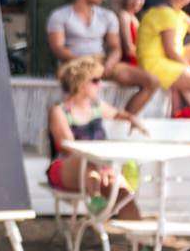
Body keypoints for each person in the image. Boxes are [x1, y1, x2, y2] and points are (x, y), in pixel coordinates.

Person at [46, 55, 145, 220]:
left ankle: (142, 244)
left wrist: (131, 119)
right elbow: (67, 146)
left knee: (124, 194)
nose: (100, 85)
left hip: (98, 168)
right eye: (95, 80)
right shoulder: (60, 111)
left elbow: (116, 113)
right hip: (68, 167)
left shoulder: (96, 106)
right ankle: (96, 198)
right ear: (81, 82)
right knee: (89, 160)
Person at [44, 0, 156, 115]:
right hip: (73, 62)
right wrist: (85, 64)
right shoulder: (59, 15)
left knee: (151, 81)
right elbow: (57, 48)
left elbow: (116, 47)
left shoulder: (107, 16)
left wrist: (108, 64)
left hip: (101, 60)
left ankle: (124, 119)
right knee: (87, 88)